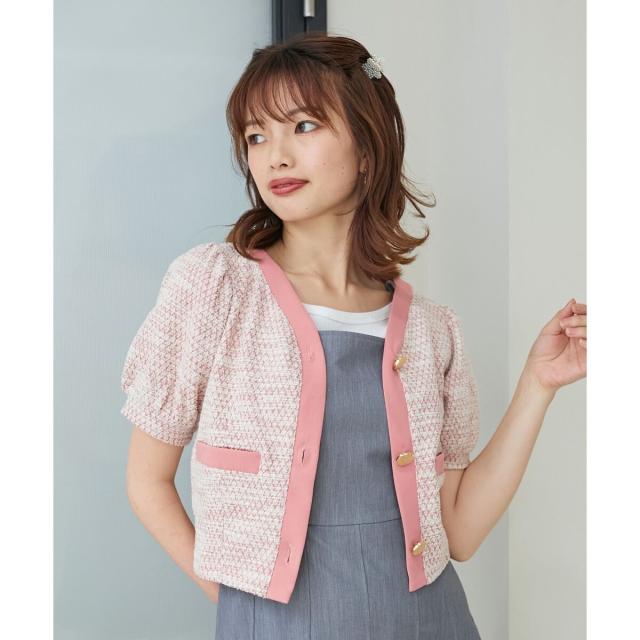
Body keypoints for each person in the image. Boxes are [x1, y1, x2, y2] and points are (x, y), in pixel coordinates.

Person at [121, 32, 587, 640]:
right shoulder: (215, 289)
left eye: (303, 126)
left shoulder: (431, 331)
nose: (275, 156)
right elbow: (146, 481)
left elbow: (460, 532)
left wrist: (537, 384)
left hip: (430, 622)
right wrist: (244, 605)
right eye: (256, 136)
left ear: (367, 147)